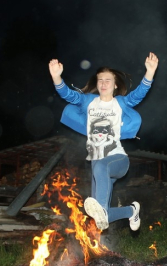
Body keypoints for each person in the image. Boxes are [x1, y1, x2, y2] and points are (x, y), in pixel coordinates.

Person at [48, 52, 159, 231]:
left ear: (115, 85)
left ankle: (112, 211)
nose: (103, 83)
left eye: (108, 80)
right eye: (100, 80)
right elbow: (69, 95)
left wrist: (150, 73)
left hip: (117, 160)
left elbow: (138, 95)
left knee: (101, 168)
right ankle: (131, 211)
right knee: (101, 213)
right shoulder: (88, 102)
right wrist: (56, 77)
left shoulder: (120, 103)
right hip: (96, 163)